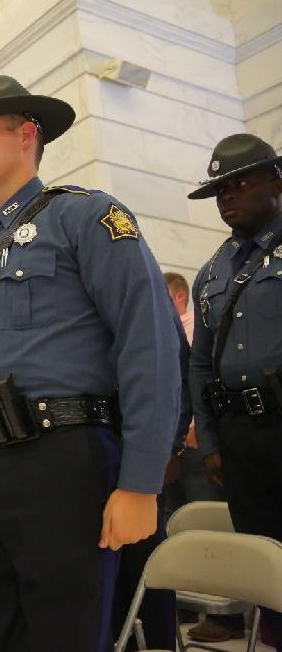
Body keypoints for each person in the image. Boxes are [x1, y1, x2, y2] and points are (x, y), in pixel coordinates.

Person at [0, 75, 180, 651]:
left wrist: (141, 481)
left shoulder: (85, 217)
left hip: (60, 459)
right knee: (5, 630)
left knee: (66, 630)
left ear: (27, 136)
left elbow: (149, 342)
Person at [188, 133, 282, 649]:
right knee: (262, 554)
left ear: (277, 182)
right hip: (241, 435)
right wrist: (214, 441)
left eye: (241, 182)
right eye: (220, 189)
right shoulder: (214, 271)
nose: (228, 196)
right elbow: (199, 363)